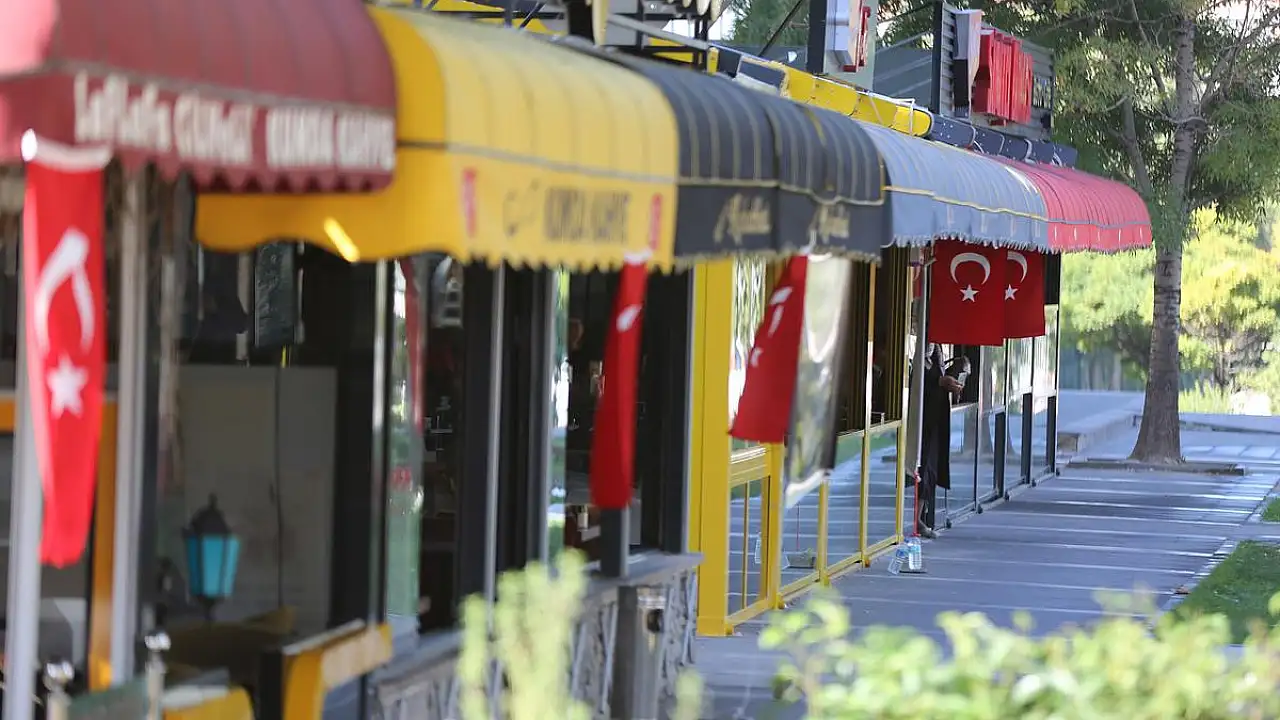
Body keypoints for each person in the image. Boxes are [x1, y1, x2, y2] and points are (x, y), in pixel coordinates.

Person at [918, 343, 964, 538]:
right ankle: (916, 519)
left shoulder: (937, 349)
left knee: (931, 469)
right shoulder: (921, 345)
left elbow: (939, 375)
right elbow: (915, 375)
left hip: (936, 418)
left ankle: (919, 517)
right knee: (922, 467)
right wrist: (939, 381)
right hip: (921, 419)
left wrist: (954, 375)